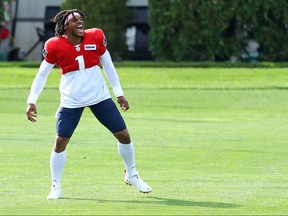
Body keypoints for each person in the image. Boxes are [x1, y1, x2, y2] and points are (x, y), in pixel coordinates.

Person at [26, 9, 152, 199]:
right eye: (74, 20)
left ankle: (132, 174)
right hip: (71, 100)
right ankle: (55, 185)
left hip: (99, 96)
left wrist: (119, 94)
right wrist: (31, 101)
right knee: (60, 142)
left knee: (124, 135)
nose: (79, 22)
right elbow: (42, 75)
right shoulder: (54, 45)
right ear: (64, 27)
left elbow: (108, 65)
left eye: (80, 19)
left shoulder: (96, 37)